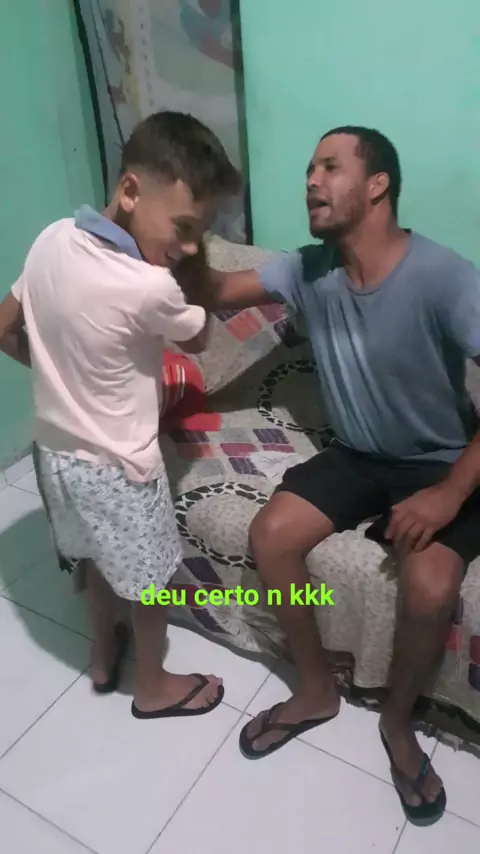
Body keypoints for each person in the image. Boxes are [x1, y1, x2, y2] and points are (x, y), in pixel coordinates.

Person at [177, 126, 480, 825]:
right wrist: (189, 234)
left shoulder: (443, 275)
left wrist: (450, 492)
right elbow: (215, 291)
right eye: (309, 168)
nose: (312, 180)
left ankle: (397, 723)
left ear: (377, 185)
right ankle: (315, 689)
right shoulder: (306, 269)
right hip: (356, 454)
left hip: (438, 461)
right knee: (271, 535)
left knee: (431, 584)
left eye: (330, 167)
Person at [0, 110, 240, 719]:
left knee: (94, 556)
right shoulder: (150, 285)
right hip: (121, 469)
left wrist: (62, 376)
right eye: (185, 227)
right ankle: (153, 688)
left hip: (55, 456)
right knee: (151, 582)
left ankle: (104, 654)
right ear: (130, 190)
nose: (189, 245)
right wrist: (188, 266)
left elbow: (4, 326)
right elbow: (198, 337)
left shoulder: (53, 237)